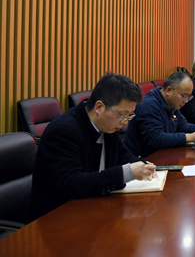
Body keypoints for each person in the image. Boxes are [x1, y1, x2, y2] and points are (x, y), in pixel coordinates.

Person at [27, 73, 157, 221]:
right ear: (99, 107)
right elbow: (72, 183)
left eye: (129, 116)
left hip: (93, 208)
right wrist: (126, 173)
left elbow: (122, 154)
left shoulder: (107, 125)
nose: (125, 122)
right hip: (55, 218)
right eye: (122, 115)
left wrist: (141, 164)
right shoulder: (63, 131)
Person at [125, 72, 195, 157]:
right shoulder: (149, 105)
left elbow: (182, 125)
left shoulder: (172, 103)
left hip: (163, 154)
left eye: (188, 97)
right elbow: (155, 139)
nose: (186, 101)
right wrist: (190, 137)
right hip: (144, 159)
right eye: (184, 96)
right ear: (168, 90)